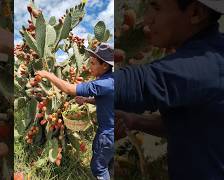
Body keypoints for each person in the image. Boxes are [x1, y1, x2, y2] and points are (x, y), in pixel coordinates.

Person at [115, 0, 224, 179]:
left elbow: (133, 84)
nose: (147, 19)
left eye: (156, 7)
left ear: (195, 13)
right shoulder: (215, 49)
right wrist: (135, 120)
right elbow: (191, 125)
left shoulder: (201, 66)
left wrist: (73, 85)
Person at [36, 44, 114, 180]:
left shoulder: (103, 83)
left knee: (98, 168)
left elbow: (69, 89)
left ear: (105, 66)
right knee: (108, 160)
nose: (90, 66)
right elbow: (106, 99)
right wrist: (87, 100)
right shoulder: (111, 80)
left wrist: (48, 75)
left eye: (93, 63)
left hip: (108, 133)